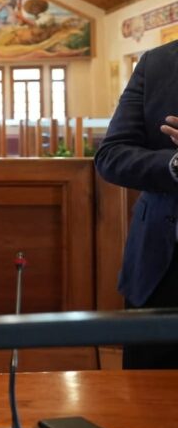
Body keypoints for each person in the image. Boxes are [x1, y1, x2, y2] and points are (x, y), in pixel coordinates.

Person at [94, 39, 178, 369]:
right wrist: (174, 164)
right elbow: (111, 155)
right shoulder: (158, 63)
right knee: (147, 405)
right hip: (163, 267)